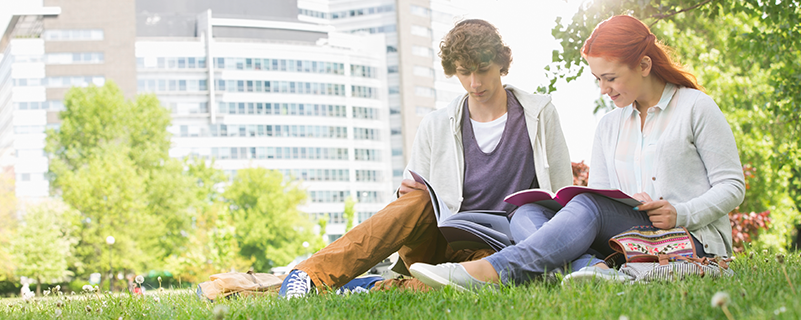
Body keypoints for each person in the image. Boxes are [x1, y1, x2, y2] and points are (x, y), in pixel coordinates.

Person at [409, 15, 746, 290]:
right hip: (630, 236)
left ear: (644, 65)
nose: (604, 89)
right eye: (598, 79)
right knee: (525, 213)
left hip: (689, 238)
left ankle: (491, 272)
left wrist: (680, 213)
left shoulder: (695, 108)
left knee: (584, 207)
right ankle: (595, 269)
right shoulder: (610, 124)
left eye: (610, 78)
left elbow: (733, 186)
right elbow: (599, 197)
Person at [278, 19, 572, 297]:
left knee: (485, 282)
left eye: (482, 69)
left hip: (498, 246)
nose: (474, 83)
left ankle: (369, 286)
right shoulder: (437, 123)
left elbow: (561, 196)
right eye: (463, 72)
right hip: (438, 239)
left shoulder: (538, 114)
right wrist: (404, 192)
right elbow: (410, 193)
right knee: (417, 201)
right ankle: (308, 276)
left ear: (501, 63)